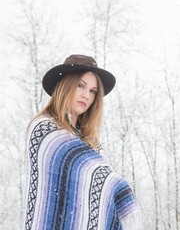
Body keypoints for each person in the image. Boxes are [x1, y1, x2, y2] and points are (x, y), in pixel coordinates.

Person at [23, 54, 141, 230]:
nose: (86, 95)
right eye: (80, 86)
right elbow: (95, 174)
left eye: (93, 91)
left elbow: (96, 187)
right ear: (65, 85)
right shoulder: (43, 129)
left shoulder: (92, 144)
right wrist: (120, 189)